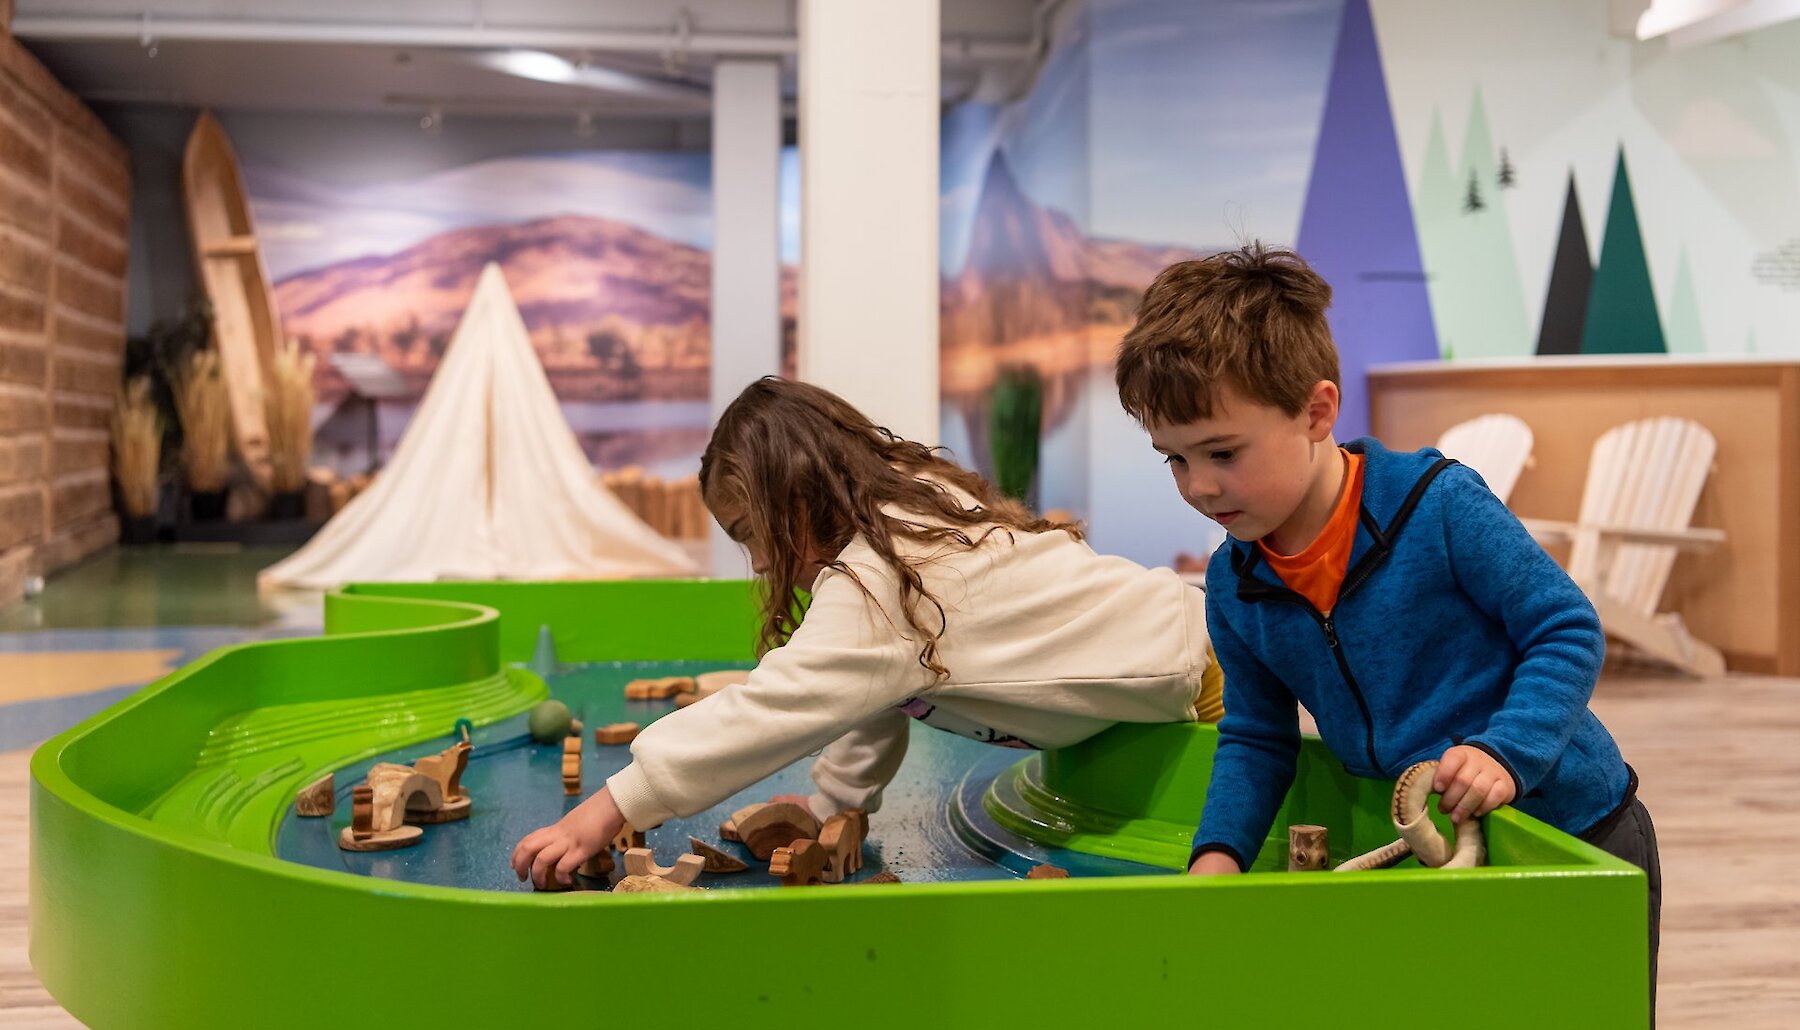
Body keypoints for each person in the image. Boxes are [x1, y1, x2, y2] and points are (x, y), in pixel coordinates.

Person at [1114, 243, 1659, 1003]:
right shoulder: (1234, 586)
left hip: (1576, 833)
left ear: (1317, 411)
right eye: (1172, 461)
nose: (1199, 487)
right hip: (1425, 854)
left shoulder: (1438, 504)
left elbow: (1565, 629)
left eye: (1222, 452)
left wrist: (1508, 751)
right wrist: (1220, 854)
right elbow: (1256, 736)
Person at [511, 376, 1223, 889]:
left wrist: (609, 808)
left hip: (1213, 676)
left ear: (793, 497)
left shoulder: (882, 577)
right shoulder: (904, 525)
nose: (759, 561)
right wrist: (833, 805)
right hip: (1191, 641)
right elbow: (879, 690)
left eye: (751, 534)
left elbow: (776, 704)